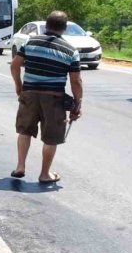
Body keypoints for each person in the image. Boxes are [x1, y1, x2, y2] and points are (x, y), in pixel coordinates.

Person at [10, 10, 83, 184]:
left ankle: (20, 166)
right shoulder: (70, 51)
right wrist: (77, 104)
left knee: (24, 131)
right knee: (51, 137)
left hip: (29, 95)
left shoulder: (30, 42)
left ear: (47, 25)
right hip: (54, 99)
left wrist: (19, 87)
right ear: (64, 28)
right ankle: (44, 174)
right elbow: (76, 81)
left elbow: (14, 66)